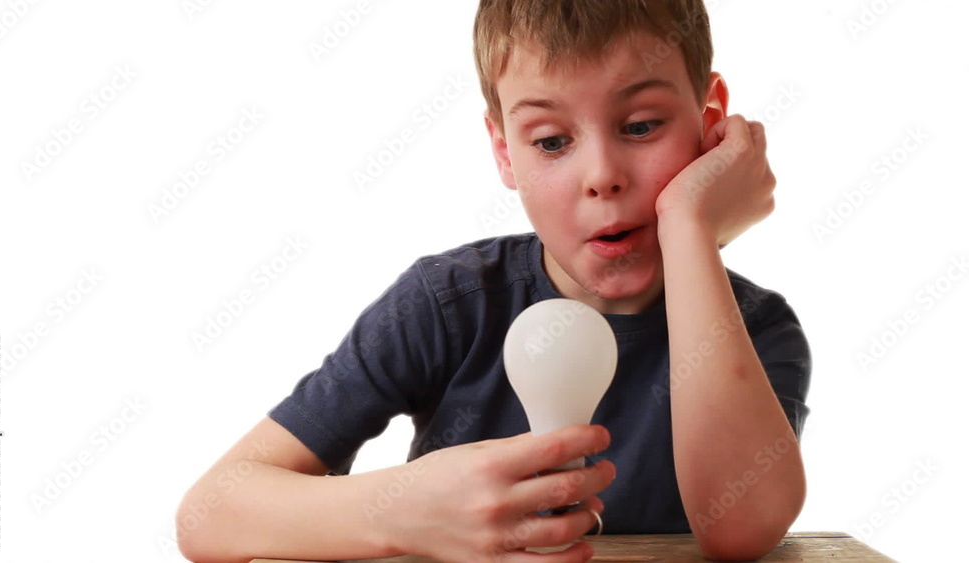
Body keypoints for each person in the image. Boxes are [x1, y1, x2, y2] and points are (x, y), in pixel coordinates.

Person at [176, 1, 811, 561]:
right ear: (505, 150)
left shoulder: (756, 331)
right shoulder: (447, 306)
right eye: (552, 140)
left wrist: (689, 225)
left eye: (641, 125)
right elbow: (210, 516)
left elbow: (741, 532)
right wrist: (402, 512)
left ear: (710, 120)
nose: (602, 175)